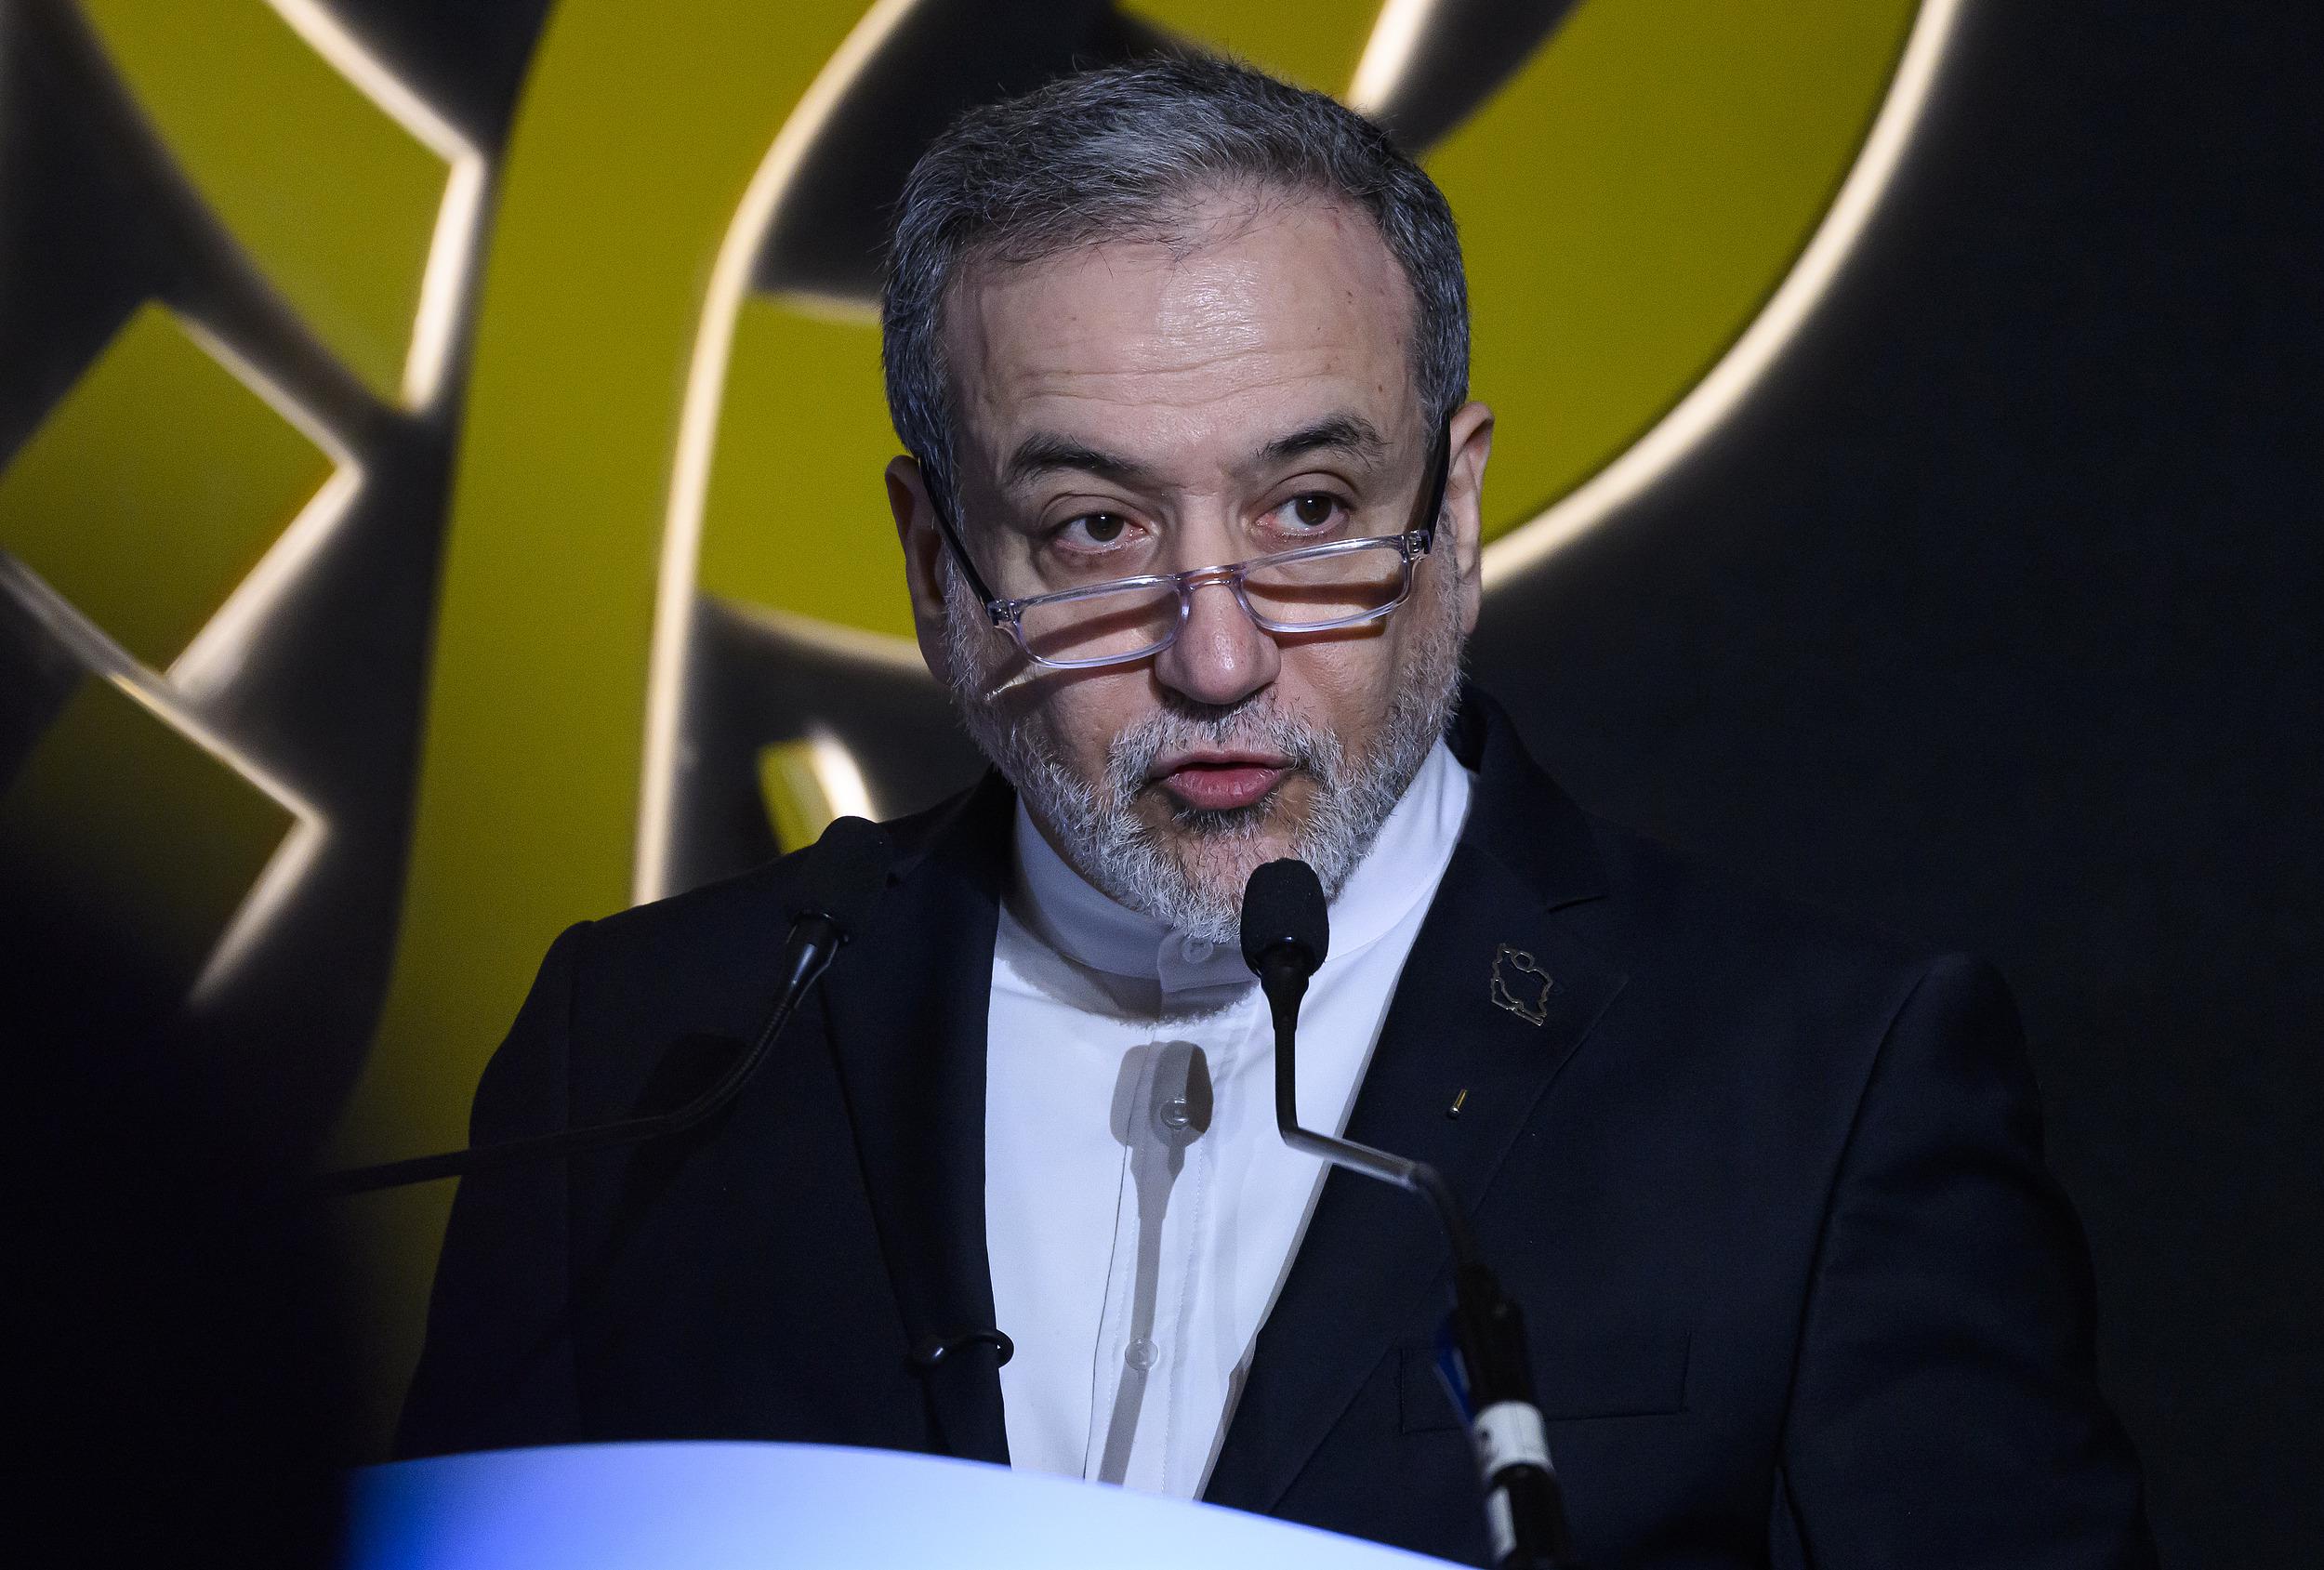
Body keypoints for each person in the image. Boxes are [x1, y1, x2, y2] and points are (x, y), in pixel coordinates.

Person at [400, 55, 2154, 1567]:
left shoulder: (1821, 1088)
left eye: (1311, 508)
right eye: (1095, 531)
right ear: (937, 568)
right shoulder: (645, 1057)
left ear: (1454, 516)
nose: (1218, 655)